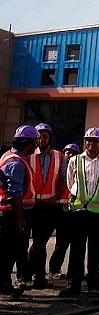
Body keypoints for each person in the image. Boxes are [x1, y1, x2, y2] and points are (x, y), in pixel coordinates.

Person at [59, 127, 99, 297]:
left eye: (95, 141)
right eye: (89, 140)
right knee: (76, 250)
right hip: (78, 212)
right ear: (84, 142)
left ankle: (94, 284)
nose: (92, 144)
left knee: (97, 250)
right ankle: (74, 284)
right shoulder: (75, 161)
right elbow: (71, 184)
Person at [0, 125, 39, 299]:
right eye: (35, 142)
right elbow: (15, 192)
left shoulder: (11, 156)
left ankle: (4, 282)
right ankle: (4, 284)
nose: (36, 146)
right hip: (12, 214)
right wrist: (20, 218)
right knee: (9, 251)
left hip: (11, 212)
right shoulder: (16, 162)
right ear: (27, 143)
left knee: (9, 251)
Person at [26, 123, 65, 289]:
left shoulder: (59, 156)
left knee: (39, 242)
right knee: (36, 244)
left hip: (50, 206)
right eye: (39, 136)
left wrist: (56, 195)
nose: (42, 140)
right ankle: (35, 275)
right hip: (32, 206)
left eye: (45, 136)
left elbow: (63, 179)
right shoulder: (28, 155)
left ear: (49, 138)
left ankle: (33, 274)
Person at [48, 143, 80, 279]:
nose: (70, 154)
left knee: (62, 243)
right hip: (53, 208)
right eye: (68, 152)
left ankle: (54, 269)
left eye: (73, 152)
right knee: (40, 241)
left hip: (68, 211)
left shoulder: (78, 171)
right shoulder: (56, 169)